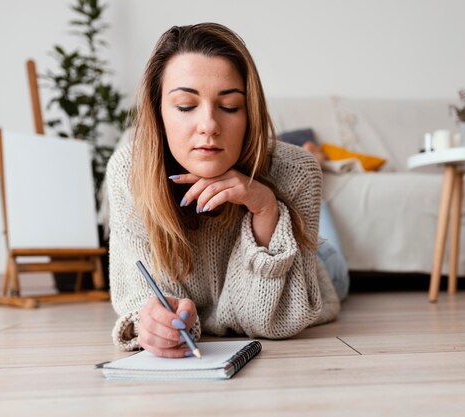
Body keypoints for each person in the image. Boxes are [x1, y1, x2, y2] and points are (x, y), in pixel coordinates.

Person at [106, 23, 342, 358]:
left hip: (319, 269)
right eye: (186, 105)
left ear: (250, 113)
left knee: (331, 255)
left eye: (230, 106)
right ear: (158, 112)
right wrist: (152, 323)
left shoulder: (298, 171)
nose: (209, 127)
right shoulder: (128, 171)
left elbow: (270, 321)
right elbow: (140, 301)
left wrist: (267, 209)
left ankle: (319, 175)